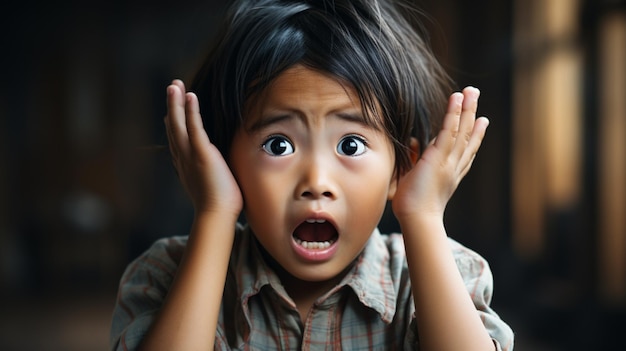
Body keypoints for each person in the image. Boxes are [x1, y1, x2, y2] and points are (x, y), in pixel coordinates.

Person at [110, 0, 514, 349]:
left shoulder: (443, 272)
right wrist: (215, 210)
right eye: (278, 145)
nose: (316, 181)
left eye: (350, 145)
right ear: (220, 161)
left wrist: (423, 215)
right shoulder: (165, 274)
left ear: (401, 167)